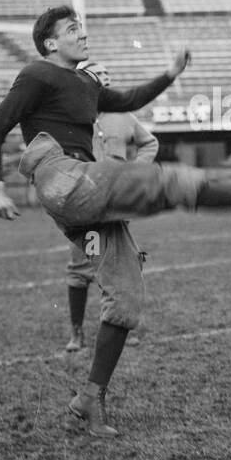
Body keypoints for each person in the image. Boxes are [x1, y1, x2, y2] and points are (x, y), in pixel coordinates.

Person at [0, 5, 231, 438]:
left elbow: (130, 100)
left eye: (81, 27)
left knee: (126, 295)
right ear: (50, 43)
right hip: (65, 177)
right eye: (72, 29)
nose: (82, 33)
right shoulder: (37, 74)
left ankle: (89, 398)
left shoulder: (85, 84)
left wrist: (170, 73)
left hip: (83, 189)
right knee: (170, 181)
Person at [63, 60, 158, 354]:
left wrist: (133, 171)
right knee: (81, 265)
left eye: (107, 73)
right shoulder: (71, 116)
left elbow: (149, 143)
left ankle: (124, 326)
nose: (105, 77)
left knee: (125, 261)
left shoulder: (123, 115)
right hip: (84, 202)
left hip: (116, 201)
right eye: (98, 72)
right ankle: (77, 332)